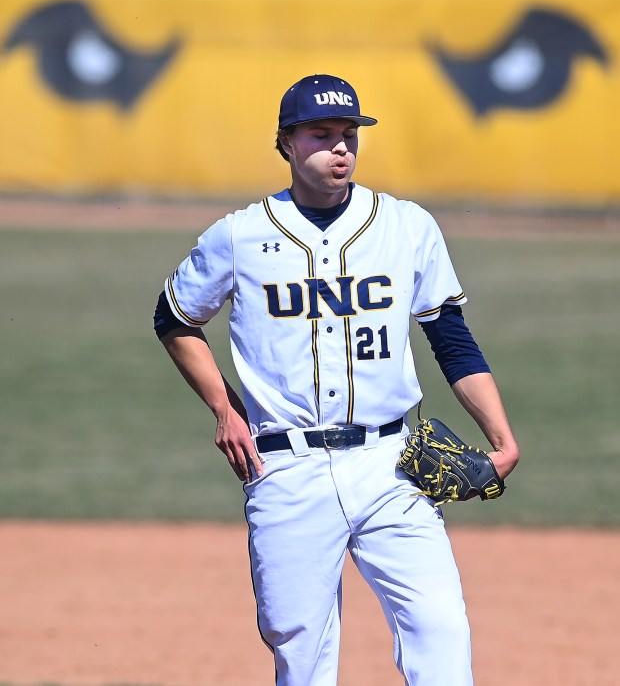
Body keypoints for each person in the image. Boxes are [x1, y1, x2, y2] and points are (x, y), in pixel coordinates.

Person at [153, 73, 520, 686]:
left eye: (349, 134)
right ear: (287, 143)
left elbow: (450, 337)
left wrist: (503, 438)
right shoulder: (241, 235)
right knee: (303, 656)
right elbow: (175, 318)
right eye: (322, 134)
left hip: (393, 464)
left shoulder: (405, 226)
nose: (340, 147)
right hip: (286, 470)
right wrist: (224, 407)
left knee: (441, 630)